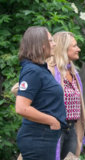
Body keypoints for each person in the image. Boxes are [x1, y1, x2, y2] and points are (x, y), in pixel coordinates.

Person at [12, 31, 85, 160]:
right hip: (44, 131)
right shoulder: (41, 70)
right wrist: (51, 119)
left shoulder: (71, 72)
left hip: (68, 127)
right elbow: (21, 102)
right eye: (74, 46)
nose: (54, 44)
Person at [15, 26, 66, 160]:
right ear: (41, 45)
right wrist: (52, 121)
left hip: (43, 137)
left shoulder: (40, 69)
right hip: (38, 137)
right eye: (50, 41)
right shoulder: (32, 71)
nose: (54, 44)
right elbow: (22, 107)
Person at [47, 32, 85, 159]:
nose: (78, 49)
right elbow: (19, 89)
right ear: (63, 48)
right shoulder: (49, 69)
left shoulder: (73, 73)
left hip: (72, 129)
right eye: (74, 46)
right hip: (54, 129)